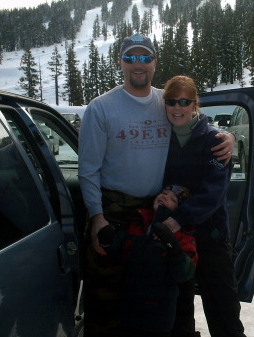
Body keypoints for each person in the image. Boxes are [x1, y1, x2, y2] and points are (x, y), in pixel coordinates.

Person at [78, 33, 234, 337]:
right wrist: (97, 217)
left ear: (154, 62)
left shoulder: (165, 101)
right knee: (106, 302)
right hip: (114, 215)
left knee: (152, 300)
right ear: (120, 62)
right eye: (130, 58)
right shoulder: (101, 108)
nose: (138, 64)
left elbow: (197, 122)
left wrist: (228, 137)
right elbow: (88, 170)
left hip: (155, 216)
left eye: (145, 58)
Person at [162, 75, 247, 337]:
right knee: (178, 309)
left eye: (185, 101)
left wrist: (179, 217)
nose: (178, 108)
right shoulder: (159, 139)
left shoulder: (215, 140)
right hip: (175, 238)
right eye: (172, 101)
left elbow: (214, 192)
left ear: (195, 104)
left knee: (223, 310)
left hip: (209, 236)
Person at [98, 184, 197, 337]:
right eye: (163, 193)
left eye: (173, 199)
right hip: (128, 309)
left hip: (158, 316)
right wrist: (107, 239)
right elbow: (119, 250)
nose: (164, 197)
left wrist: (172, 245)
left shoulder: (183, 236)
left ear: (179, 210)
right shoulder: (138, 221)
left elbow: (184, 273)